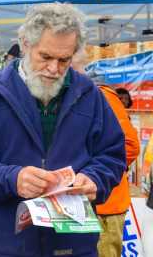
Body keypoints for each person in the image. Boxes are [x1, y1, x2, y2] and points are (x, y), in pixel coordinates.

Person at [0, 3, 125, 257]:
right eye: (45, 57)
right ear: (25, 44)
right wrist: (12, 178)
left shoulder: (90, 95)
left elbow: (112, 155)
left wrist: (95, 180)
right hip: (8, 245)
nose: (54, 69)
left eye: (64, 60)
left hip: (73, 247)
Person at [73, 51, 140, 257]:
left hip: (105, 208)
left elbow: (129, 145)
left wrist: (99, 174)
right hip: (81, 206)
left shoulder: (102, 96)